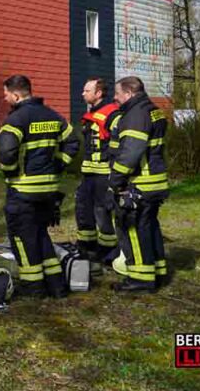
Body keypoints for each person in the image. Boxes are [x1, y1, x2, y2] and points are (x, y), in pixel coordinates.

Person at [0, 74, 79, 298]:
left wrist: (11, 172)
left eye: (6, 95)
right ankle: (56, 285)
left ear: (15, 94)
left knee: (23, 240)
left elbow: (7, 152)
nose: (5, 99)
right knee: (42, 235)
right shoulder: (53, 115)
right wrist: (59, 164)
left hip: (22, 190)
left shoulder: (16, 120)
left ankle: (34, 288)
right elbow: (73, 141)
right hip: (49, 191)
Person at [108, 76, 169, 293]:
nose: (115, 98)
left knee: (132, 228)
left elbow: (131, 153)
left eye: (118, 93)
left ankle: (141, 280)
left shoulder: (135, 115)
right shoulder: (153, 110)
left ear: (129, 93)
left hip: (139, 184)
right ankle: (158, 271)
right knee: (150, 227)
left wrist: (115, 181)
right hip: (155, 181)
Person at [75, 77, 120, 261]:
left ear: (98, 93)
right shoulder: (90, 113)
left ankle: (108, 251)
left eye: (87, 90)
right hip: (88, 173)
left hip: (104, 173)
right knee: (83, 209)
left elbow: (118, 145)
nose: (82, 93)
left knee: (103, 212)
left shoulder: (113, 114)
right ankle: (86, 247)